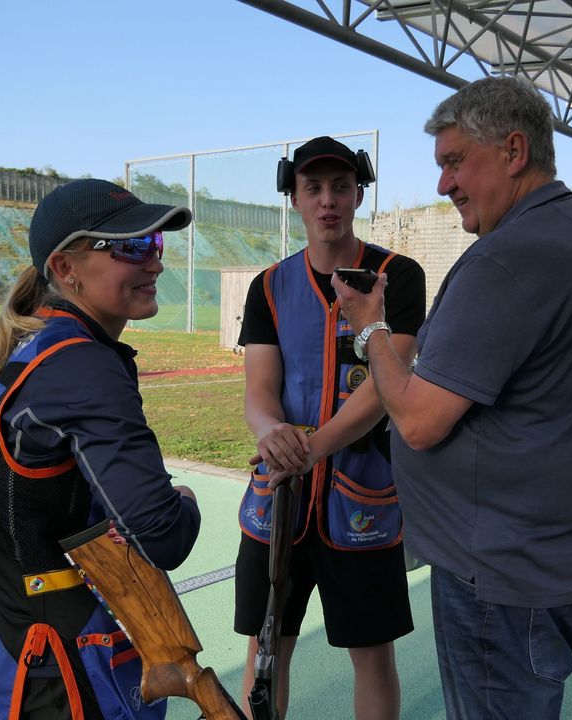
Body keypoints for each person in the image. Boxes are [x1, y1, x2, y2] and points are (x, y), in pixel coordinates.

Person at [333, 77, 572, 719]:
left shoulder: (509, 257)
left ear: (514, 150)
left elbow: (416, 421)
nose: (444, 185)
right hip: (542, 558)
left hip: (497, 573)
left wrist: (371, 326)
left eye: (454, 161)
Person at [0, 179, 202, 720]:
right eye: (131, 246)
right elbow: (163, 536)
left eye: (155, 245)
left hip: (0, 626)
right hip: (54, 661)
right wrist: (187, 501)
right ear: (64, 268)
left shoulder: (42, 343)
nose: (154, 263)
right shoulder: (82, 362)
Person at [232, 136, 426, 719]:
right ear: (293, 197)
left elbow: (388, 385)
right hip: (278, 501)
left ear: (359, 193)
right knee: (266, 648)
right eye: (313, 188)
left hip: (363, 500)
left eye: (341, 187)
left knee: (371, 655)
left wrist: (311, 447)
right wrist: (270, 432)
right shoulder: (268, 286)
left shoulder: (398, 276)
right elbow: (259, 394)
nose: (327, 201)